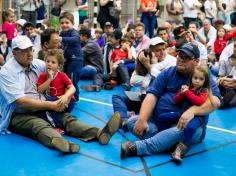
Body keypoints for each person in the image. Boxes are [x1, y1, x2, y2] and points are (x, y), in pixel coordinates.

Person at [0, 35, 121, 153]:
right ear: (14, 53)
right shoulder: (7, 72)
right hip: (18, 114)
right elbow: (21, 102)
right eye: (24, 51)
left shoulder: (36, 64)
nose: (29, 53)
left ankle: (100, 133)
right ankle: (60, 142)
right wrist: (51, 105)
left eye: (30, 49)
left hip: (43, 106)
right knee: (38, 125)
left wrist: (65, 96)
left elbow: (61, 77)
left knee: (66, 119)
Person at [120, 43, 221, 160]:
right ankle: (166, 142)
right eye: (179, 55)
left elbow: (216, 101)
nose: (180, 59)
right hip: (161, 122)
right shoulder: (168, 72)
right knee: (133, 121)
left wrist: (193, 111)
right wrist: (142, 119)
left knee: (181, 130)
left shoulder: (202, 76)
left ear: (196, 61)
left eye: (186, 57)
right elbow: (151, 95)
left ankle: (138, 147)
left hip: (188, 126)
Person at [156, 65, 213, 163]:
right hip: (182, 114)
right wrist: (181, 93)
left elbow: (199, 101)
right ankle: (162, 137)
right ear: (191, 78)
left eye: (201, 79)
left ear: (205, 81)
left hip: (197, 117)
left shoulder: (204, 91)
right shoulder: (188, 89)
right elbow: (176, 100)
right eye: (195, 78)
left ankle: (181, 148)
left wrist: (187, 93)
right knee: (162, 117)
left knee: (190, 128)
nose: (197, 81)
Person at [36, 49, 76, 132]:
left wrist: (65, 96)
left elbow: (73, 88)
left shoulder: (62, 75)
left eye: (53, 62)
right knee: (43, 104)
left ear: (59, 65)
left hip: (66, 101)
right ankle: (57, 124)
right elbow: (39, 90)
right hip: (54, 101)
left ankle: (57, 126)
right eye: (47, 61)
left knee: (44, 103)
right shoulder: (43, 76)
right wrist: (49, 79)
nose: (49, 64)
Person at [59, 12, 84, 101]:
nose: (64, 25)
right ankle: (69, 95)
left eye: (67, 22)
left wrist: (61, 39)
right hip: (68, 60)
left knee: (72, 79)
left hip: (76, 60)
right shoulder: (62, 33)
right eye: (62, 23)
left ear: (72, 23)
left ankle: (75, 98)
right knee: (66, 78)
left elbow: (75, 39)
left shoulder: (74, 32)